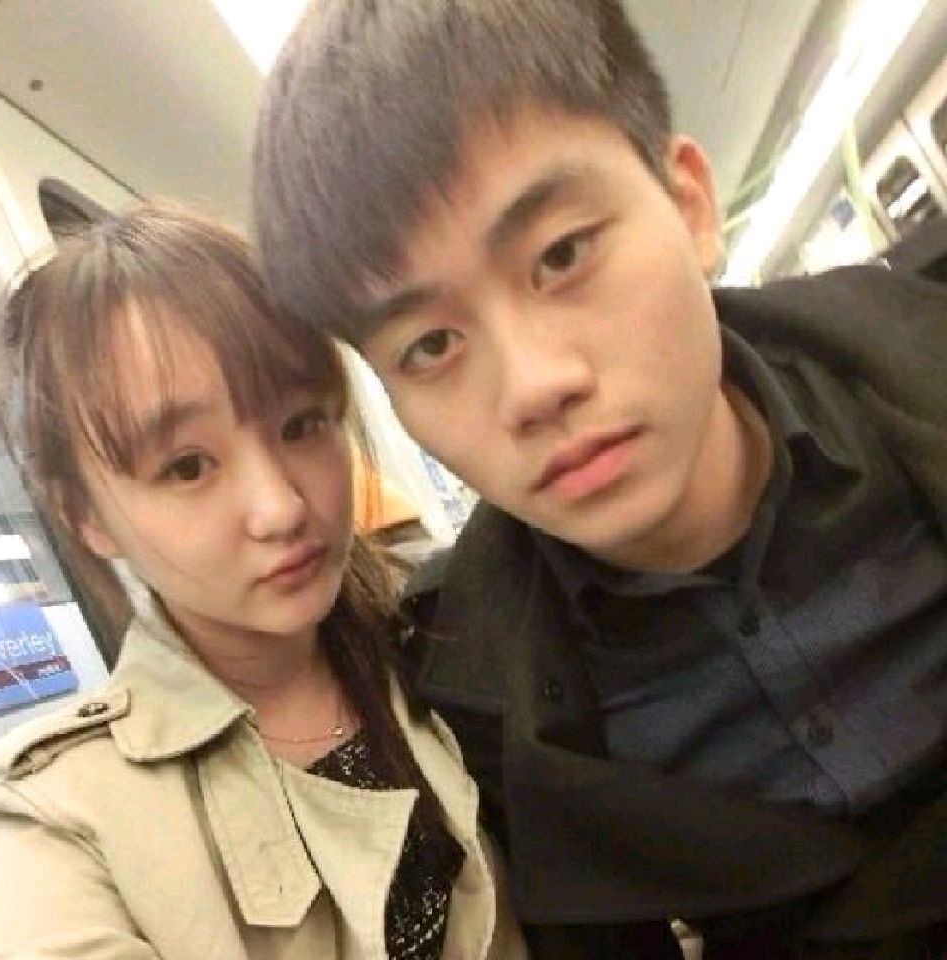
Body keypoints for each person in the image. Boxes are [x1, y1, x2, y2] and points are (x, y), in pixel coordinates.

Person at [251, 2, 947, 957]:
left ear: (688, 205)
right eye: (432, 345)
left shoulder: (921, 365)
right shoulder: (466, 702)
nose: (534, 387)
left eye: (562, 255)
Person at [0, 206, 527, 960]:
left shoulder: (450, 633)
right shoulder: (60, 824)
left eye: (302, 425)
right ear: (85, 518)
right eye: (187, 467)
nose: (281, 508)